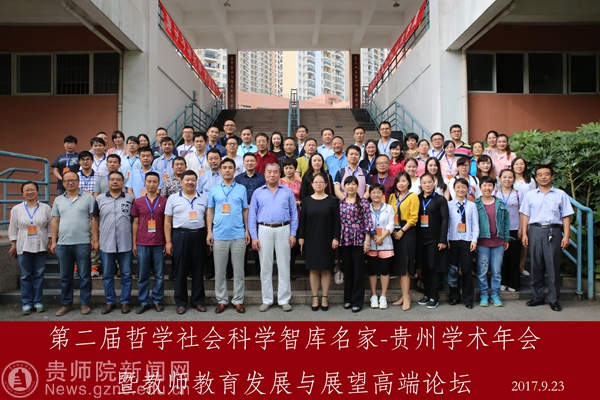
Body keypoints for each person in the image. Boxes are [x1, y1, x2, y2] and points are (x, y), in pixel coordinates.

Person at [521, 165, 573, 312]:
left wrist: (566, 236)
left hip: (553, 231)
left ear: (552, 176)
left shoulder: (560, 194)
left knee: (553, 266)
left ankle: (554, 300)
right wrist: (524, 233)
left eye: (546, 174)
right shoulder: (530, 195)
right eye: (540, 174)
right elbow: (525, 215)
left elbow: (566, 216)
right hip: (535, 230)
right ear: (536, 178)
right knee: (535, 265)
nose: (543, 177)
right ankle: (537, 297)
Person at [248, 163, 298, 312]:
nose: (272, 174)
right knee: (265, 266)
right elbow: (252, 216)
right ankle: (267, 299)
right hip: (264, 229)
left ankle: (284, 299)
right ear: (264, 174)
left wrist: (293, 233)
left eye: (275, 172)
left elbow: (294, 214)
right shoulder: (258, 192)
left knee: (284, 265)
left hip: (283, 228)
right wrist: (254, 236)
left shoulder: (287, 191)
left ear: (279, 174)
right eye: (269, 172)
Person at [51, 171, 97, 316]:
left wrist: (94, 239)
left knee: (84, 275)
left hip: (83, 242)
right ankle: (66, 304)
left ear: (78, 181)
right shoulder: (58, 200)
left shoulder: (88, 198)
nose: (70, 182)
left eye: (73, 180)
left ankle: (85, 303)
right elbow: (55, 221)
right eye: (67, 180)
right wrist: (53, 241)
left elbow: (94, 219)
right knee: (65, 276)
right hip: (63, 243)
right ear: (63, 183)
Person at [207, 158, 250, 314]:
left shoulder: (241, 189)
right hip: (219, 234)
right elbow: (210, 210)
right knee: (219, 271)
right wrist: (209, 231)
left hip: (238, 234)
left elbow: (245, 210)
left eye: (230, 167)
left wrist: (246, 230)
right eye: (224, 167)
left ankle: (238, 300)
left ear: (235, 170)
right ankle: (222, 300)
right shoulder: (214, 190)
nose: (227, 170)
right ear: (220, 170)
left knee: (239, 271)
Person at [165, 170, 209, 314]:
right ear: (181, 181)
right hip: (180, 235)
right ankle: (181, 302)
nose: (190, 182)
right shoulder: (173, 198)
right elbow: (167, 221)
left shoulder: (204, 197)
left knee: (198, 269)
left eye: (193, 180)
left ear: (196, 181)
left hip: (199, 235)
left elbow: (208, 218)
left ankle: (198, 301)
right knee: (180, 270)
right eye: (187, 180)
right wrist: (168, 241)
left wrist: (208, 235)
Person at [297, 172, 340, 312]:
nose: (319, 184)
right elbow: (302, 221)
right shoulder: (307, 201)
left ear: (326, 184)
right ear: (312, 184)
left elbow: (336, 221)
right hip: (311, 238)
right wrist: (301, 237)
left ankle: (325, 298)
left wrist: (336, 237)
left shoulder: (332, 201)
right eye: (316, 182)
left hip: (327, 239)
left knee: (326, 269)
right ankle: (315, 297)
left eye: (322, 182)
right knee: (314, 269)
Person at [93, 171, 134, 314]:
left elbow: (135, 221)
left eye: (118, 179)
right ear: (108, 182)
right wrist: (95, 240)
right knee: (107, 274)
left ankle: (125, 301)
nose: (115, 182)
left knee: (126, 274)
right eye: (112, 179)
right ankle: (110, 301)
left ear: (123, 183)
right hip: (106, 242)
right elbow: (95, 220)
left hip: (125, 242)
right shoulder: (100, 199)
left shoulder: (130, 198)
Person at [8, 181, 52, 315]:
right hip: (23, 245)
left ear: (37, 191)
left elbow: (50, 227)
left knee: (39, 274)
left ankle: (38, 301)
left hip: (41, 244)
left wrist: (50, 242)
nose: (30, 192)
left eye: (32, 189)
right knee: (26, 275)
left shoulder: (45, 208)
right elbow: (12, 228)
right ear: (22, 193)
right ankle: (27, 303)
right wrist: (13, 245)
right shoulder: (16, 209)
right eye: (27, 190)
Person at [131, 171, 167, 314]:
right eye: (149, 182)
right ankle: (144, 301)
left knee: (159, 274)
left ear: (159, 184)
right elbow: (135, 223)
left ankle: (157, 300)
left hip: (159, 242)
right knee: (143, 274)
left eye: (154, 182)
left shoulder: (164, 201)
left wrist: (167, 242)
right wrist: (134, 243)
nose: (151, 184)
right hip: (142, 242)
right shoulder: (138, 202)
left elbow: (167, 223)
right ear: (144, 183)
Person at [474, 176, 511, 307]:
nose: (487, 188)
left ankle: (495, 294)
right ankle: (483, 294)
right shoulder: (476, 204)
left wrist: (506, 238)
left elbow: (506, 222)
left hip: (498, 243)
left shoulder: (500, 203)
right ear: (480, 188)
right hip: (482, 243)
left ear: (493, 187)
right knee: (482, 270)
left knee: (496, 270)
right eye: (484, 185)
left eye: (490, 185)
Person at [339, 176, 373, 312]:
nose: (351, 187)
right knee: (348, 270)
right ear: (344, 187)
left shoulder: (363, 202)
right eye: (348, 184)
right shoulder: (341, 203)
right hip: (345, 239)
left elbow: (368, 222)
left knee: (359, 271)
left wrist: (367, 241)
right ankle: (347, 298)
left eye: (353, 184)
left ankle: (357, 301)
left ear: (358, 186)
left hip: (359, 239)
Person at [416, 173, 449, 309]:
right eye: (424, 182)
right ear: (420, 184)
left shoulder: (440, 199)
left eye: (429, 182)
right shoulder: (417, 198)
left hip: (434, 239)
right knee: (424, 267)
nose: (427, 185)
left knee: (433, 267)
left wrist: (443, 239)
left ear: (434, 183)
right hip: (420, 238)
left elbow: (445, 220)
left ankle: (434, 296)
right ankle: (427, 294)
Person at [388, 172, 419, 310]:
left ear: (408, 183)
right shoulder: (392, 197)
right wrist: (393, 231)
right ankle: (403, 294)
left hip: (407, 232)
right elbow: (389, 214)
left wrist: (401, 231)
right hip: (394, 232)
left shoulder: (413, 196)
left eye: (404, 181)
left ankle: (407, 297)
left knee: (405, 265)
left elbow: (414, 218)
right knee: (399, 266)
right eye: (398, 181)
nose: (401, 184)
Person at [447, 178, 479, 309]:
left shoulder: (472, 205)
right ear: (454, 189)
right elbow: (447, 224)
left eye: (464, 187)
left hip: (467, 241)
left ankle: (468, 299)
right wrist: (446, 239)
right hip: (453, 240)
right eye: (458, 187)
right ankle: (454, 297)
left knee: (466, 270)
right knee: (453, 270)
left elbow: (475, 225)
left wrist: (474, 240)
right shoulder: (449, 205)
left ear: (467, 189)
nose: (461, 189)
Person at [234, 153, 266, 275]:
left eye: (252, 161)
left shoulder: (262, 178)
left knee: (258, 240)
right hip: (242, 213)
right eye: (247, 161)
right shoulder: (238, 179)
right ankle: (243, 270)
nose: (249, 163)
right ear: (243, 163)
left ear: (256, 162)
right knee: (243, 242)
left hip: (259, 213)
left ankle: (259, 269)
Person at [366, 184, 395, 310]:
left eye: (378, 192)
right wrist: (374, 237)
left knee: (384, 271)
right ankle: (373, 295)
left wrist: (381, 238)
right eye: (373, 192)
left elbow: (391, 225)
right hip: (371, 244)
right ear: (370, 194)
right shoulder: (366, 208)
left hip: (385, 243)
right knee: (372, 271)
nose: (376, 195)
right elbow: (366, 225)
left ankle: (383, 296)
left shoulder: (389, 208)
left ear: (383, 194)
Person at [495, 169, 522, 292]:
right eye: (504, 177)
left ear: (513, 179)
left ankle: (513, 283)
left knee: (514, 256)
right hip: (500, 230)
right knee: (501, 256)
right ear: (500, 178)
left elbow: (522, 212)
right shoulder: (495, 193)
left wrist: (522, 228)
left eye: (510, 177)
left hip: (514, 228)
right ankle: (503, 281)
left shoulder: (518, 194)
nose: (507, 179)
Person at [512, 156, 536, 277]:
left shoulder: (530, 181)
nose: (519, 166)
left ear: (525, 166)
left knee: (524, 239)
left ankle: (521, 266)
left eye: (521, 164)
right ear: (512, 166)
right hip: (512, 212)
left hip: (527, 212)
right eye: (516, 164)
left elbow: (534, 196)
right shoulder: (509, 179)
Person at [279, 158, 302, 280]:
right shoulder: (279, 182)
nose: (288, 170)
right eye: (286, 168)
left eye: (291, 168)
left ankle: (291, 269)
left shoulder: (299, 183)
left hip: (295, 215)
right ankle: (282, 270)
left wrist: (297, 203)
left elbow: (303, 198)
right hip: (281, 216)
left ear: (295, 169)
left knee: (293, 244)